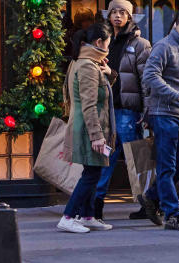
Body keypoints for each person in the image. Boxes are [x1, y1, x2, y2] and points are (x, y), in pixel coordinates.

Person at [141, 3, 179, 231]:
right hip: (164, 112)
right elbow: (149, 76)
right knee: (167, 166)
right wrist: (174, 94)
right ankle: (172, 214)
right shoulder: (163, 46)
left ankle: (151, 196)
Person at [91, 0, 151, 221]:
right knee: (105, 158)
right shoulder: (102, 42)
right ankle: (96, 205)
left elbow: (147, 80)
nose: (117, 16)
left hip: (128, 109)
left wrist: (146, 111)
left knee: (136, 158)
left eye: (122, 13)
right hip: (106, 108)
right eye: (114, 12)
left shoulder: (140, 44)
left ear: (130, 17)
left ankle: (147, 202)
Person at [57, 20, 116, 234]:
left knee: (93, 171)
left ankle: (88, 215)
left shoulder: (83, 63)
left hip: (86, 126)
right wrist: (97, 136)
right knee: (91, 174)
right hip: (89, 127)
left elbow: (99, 94)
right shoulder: (87, 67)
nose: (108, 48)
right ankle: (69, 215)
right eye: (108, 43)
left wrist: (109, 73)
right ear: (99, 42)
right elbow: (90, 104)